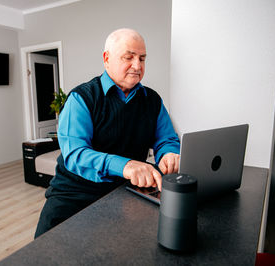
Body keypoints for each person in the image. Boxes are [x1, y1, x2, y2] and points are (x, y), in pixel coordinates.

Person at [34, 28, 180, 238]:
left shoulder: (153, 100)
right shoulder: (81, 98)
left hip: (127, 192)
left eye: (142, 58)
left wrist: (169, 153)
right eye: (128, 57)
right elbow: (76, 154)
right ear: (106, 58)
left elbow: (166, 138)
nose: (137, 66)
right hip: (74, 194)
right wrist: (126, 165)